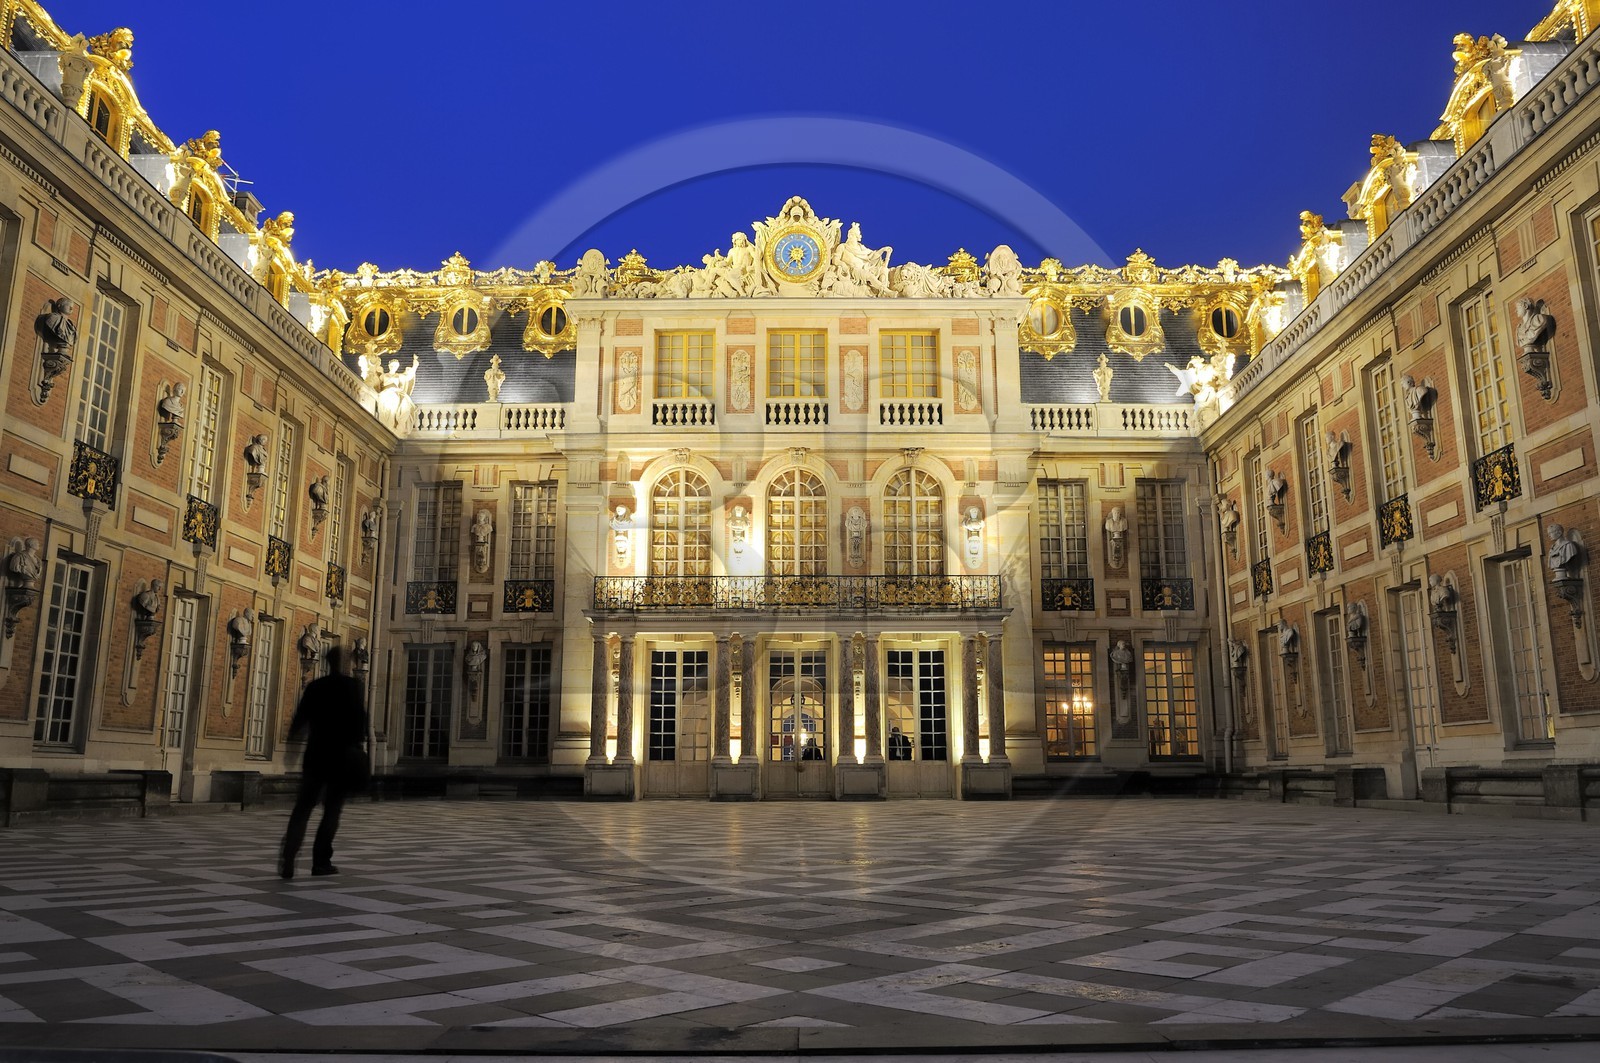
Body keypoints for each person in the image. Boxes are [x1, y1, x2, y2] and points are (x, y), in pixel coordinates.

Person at [279, 645, 368, 880]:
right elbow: (362, 725)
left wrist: (291, 749)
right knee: (331, 811)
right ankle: (321, 862)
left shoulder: (315, 687)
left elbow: (299, 721)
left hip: (316, 756)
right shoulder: (352, 687)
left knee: (302, 809)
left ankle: (289, 855)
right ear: (345, 662)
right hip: (341, 759)